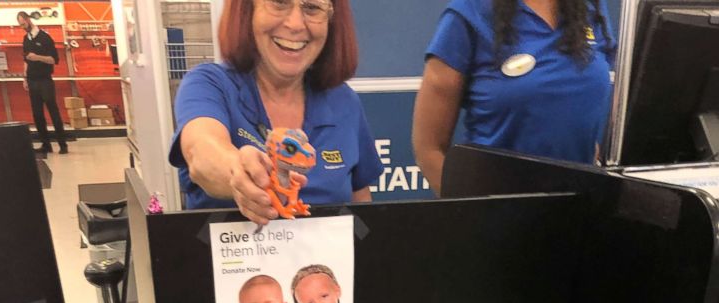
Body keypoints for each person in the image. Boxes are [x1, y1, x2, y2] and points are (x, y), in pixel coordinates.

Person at [168, 0, 382, 220]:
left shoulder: (343, 101)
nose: (296, 24)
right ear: (247, 10)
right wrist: (238, 173)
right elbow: (201, 151)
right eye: (279, 2)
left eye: (312, 7)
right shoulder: (210, 84)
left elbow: (361, 202)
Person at [412, 0, 616, 194]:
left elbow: (574, 114)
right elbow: (429, 148)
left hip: (580, 213)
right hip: (496, 215)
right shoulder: (469, 13)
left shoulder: (589, 9)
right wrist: (470, 216)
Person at [18, 11, 67, 155]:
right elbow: (26, 60)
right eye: (19, 25)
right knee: (37, 114)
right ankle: (46, 144)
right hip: (32, 80)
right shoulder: (25, 39)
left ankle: (62, 144)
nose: (22, 27)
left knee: (53, 112)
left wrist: (38, 57)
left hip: (45, 80)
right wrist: (25, 78)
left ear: (28, 20)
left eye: (23, 23)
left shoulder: (45, 37)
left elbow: (54, 60)